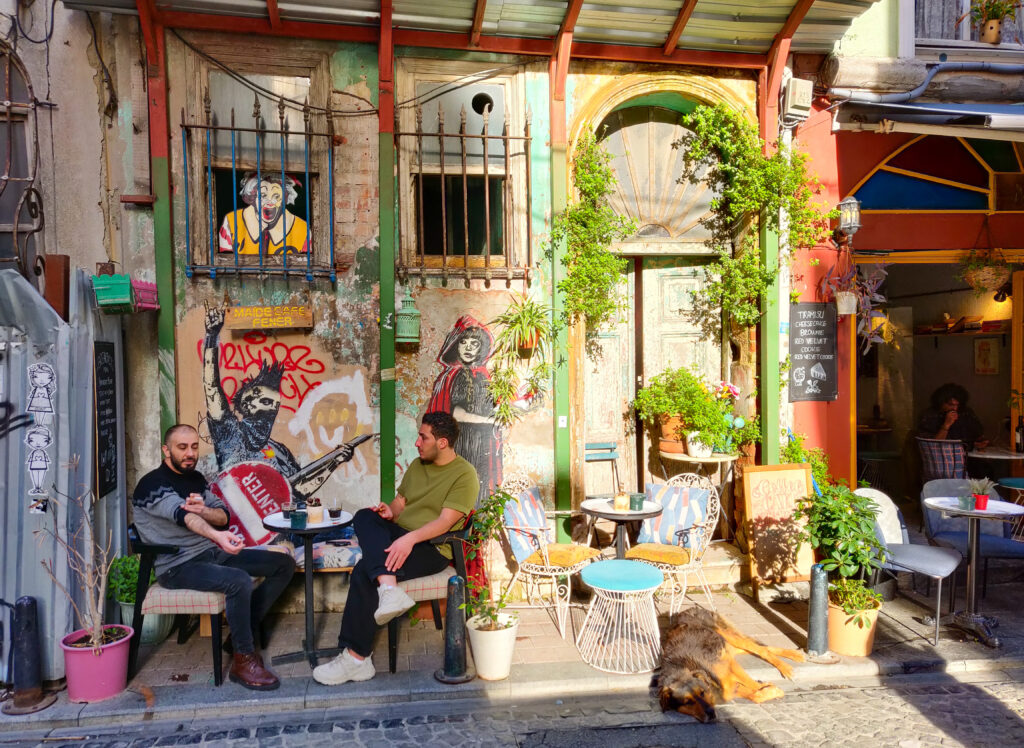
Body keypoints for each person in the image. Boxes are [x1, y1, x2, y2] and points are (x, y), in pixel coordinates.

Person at [312, 411, 478, 686]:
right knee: (365, 516)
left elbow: (445, 522)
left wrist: (409, 539)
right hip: (403, 535)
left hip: (433, 548)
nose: (417, 443)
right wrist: (390, 511)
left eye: (423, 437)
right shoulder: (417, 465)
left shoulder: (465, 474)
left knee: (365, 570)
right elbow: (400, 503)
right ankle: (389, 590)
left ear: (443, 443)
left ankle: (356, 659)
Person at [132, 424, 296, 691]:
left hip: (209, 554)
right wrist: (218, 536)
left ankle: (240, 632)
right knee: (238, 580)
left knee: (284, 564)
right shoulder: (153, 485)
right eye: (182, 447)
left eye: (194, 447)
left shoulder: (195, 478)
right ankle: (243, 659)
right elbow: (184, 517)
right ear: (166, 449)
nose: (189, 453)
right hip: (177, 566)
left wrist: (206, 512)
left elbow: (223, 516)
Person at [427, 315, 501, 506]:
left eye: (474, 343)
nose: (468, 347)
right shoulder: (459, 374)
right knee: (466, 493)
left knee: (479, 492)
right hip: (464, 443)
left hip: (481, 443)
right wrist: (490, 421)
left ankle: (478, 533)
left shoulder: (482, 375)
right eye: (463, 342)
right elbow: (457, 414)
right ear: (456, 346)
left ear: (481, 347)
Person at [218, 172, 309, 256]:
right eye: (263, 195)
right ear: (252, 197)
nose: (269, 201)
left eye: (276, 196)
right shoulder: (231, 222)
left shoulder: (303, 229)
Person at [918, 383, 989, 450]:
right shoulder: (929, 415)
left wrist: (978, 443)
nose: (955, 408)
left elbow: (977, 436)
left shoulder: (966, 412)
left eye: (957, 405)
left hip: (967, 456)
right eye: (950, 405)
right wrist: (946, 425)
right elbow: (933, 447)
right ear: (941, 403)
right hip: (941, 458)